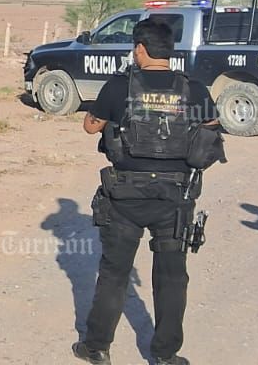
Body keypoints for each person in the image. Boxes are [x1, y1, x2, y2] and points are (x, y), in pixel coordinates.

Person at [73, 19, 223, 365]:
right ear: (169, 51)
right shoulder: (193, 89)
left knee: (114, 273)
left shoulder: (118, 86)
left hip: (124, 196)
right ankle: (166, 355)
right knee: (171, 278)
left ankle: (96, 348)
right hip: (174, 199)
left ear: (139, 49)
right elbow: (213, 127)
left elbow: (90, 126)